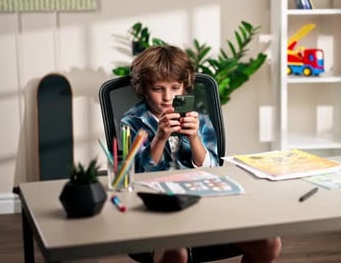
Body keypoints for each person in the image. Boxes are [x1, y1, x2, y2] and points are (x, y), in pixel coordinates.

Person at [121, 45, 282, 263]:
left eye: (175, 87)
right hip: (159, 211)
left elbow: (213, 169)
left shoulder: (199, 120)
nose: (167, 97)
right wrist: (159, 138)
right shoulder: (132, 123)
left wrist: (195, 137)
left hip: (204, 205)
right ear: (143, 88)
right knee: (174, 252)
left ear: (184, 88)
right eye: (158, 89)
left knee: (269, 242)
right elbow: (135, 175)